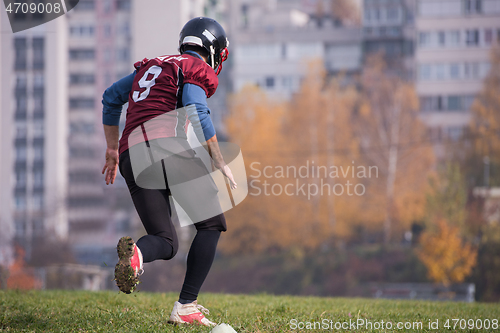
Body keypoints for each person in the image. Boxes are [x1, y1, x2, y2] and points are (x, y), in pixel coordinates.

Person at [100, 17, 236, 327]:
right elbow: (196, 108)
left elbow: (111, 97)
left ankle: (135, 256)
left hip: (130, 155)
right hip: (165, 147)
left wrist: (110, 149)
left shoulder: (150, 67)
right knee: (211, 224)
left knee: (166, 240)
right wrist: (218, 158)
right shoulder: (194, 68)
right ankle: (187, 306)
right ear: (214, 52)